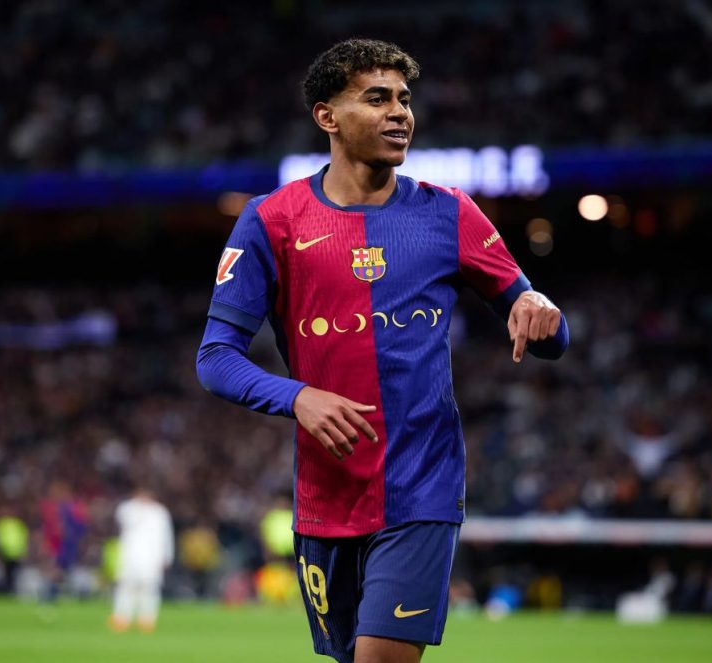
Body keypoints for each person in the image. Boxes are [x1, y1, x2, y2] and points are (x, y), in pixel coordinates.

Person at [196, 38, 567, 663]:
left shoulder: (450, 214)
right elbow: (215, 358)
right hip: (325, 496)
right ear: (327, 116)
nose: (400, 113)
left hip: (421, 486)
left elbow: (551, 336)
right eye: (376, 99)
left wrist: (539, 308)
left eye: (404, 99)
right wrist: (298, 397)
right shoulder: (271, 221)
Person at [109, 487, 174, 632]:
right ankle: (121, 618)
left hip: (152, 557)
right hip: (130, 556)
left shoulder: (160, 512)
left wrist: (167, 556)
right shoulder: (128, 509)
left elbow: (166, 536)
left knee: (150, 589)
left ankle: (147, 619)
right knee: (126, 587)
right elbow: (122, 519)